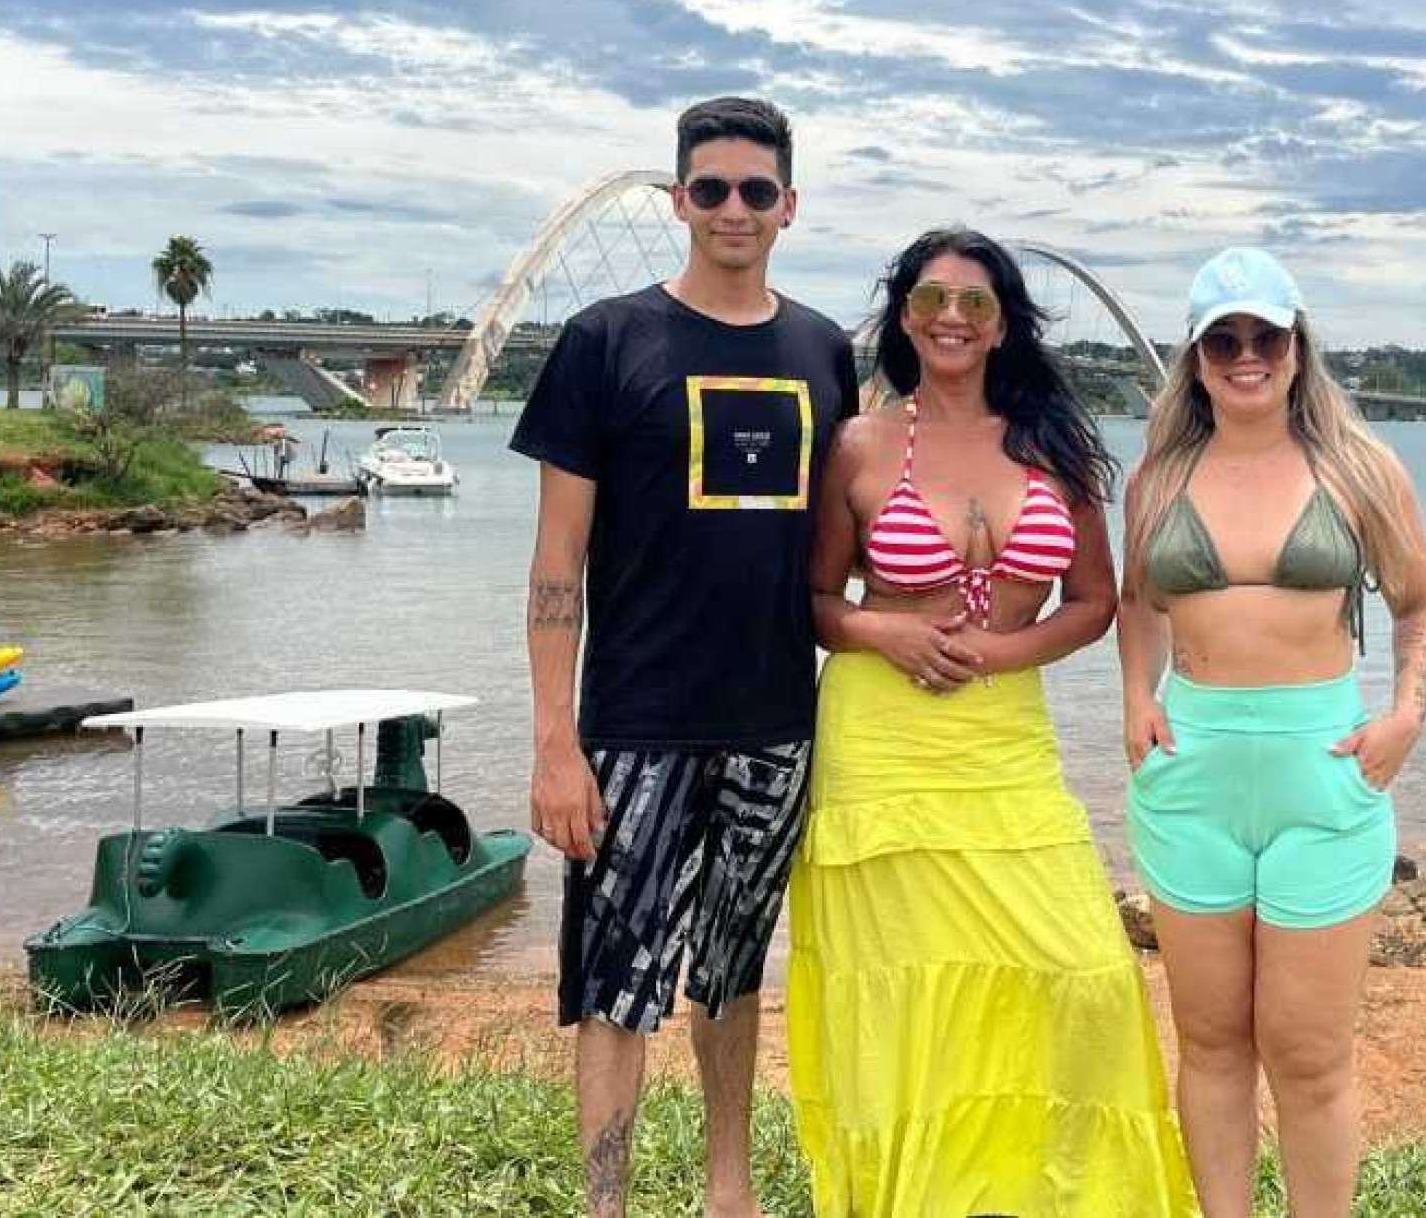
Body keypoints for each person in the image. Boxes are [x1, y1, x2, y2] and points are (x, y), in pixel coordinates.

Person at [789, 228, 1197, 1215]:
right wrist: (886, 631)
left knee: (1084, 973)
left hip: (1007, 743)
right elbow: (814, 602)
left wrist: (1002, 654)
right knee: (904, 994)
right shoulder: (858, 443)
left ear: (1003, 323)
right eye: (931, 299)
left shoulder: (1051, 443)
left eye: (974, 302)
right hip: (881, 751)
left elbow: (1093, 602)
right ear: (903, 317)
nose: (952, 318)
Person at [513, 96, 857, 1218]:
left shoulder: (824, 352)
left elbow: (846, 540)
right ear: (677, 201)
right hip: (634, 725)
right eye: (710, 188)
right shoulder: (605, 341)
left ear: (789, 206)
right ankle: (604, 1202)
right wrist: (555, 742)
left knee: (733, 970)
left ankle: (729, 1192)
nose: (732, 209)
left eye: (756, 190)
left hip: (775, 721)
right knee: (614, 983)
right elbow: (556, 565)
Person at [1117, 247, 1426, 1218]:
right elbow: (1137, 601)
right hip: (1192, 782)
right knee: (1211, 1043)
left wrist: (1405, 718)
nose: (1246, 355)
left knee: (1309, 1055)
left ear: (1298, 345)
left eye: (1266, 334)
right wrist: (1135, 695)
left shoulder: (1361, 469)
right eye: (1223, 339)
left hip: (1323, 779)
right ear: (1196, 357)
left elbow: (1422, 603)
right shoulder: (1158, 479)